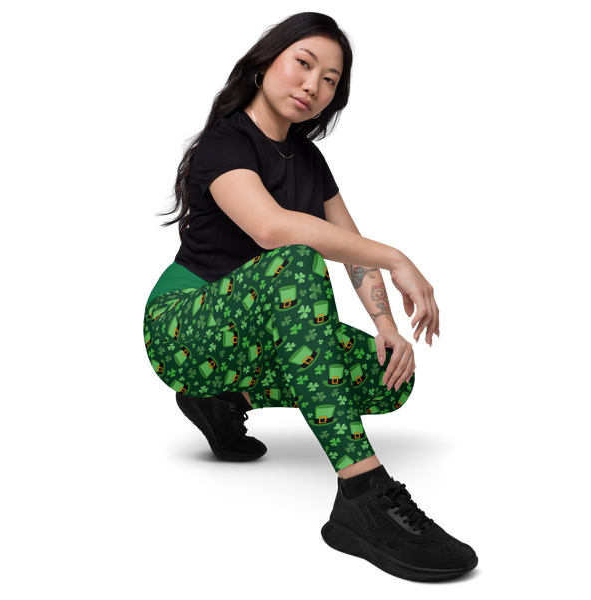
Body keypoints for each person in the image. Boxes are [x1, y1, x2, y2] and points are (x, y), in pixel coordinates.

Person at [141, 8, 479, 581]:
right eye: (303, 63)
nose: (312, 86)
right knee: (295, 260)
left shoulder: (311, 161)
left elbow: (352, 250)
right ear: (264, 62)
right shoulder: (225, 140)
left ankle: (227, 401)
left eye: (329, 80)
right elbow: (271, 228)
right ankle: (362, 493)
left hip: (248, 343)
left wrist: (386, 325)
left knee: (390, 378)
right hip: (180, 331)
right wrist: (399, 256)